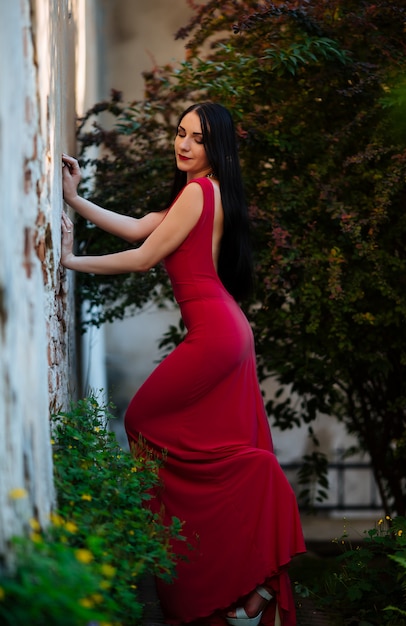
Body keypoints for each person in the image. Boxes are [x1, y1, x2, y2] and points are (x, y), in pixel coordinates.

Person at [61, 102, 305, 626]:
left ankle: (220, 535)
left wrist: (70, 261)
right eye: (180, 133)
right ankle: (248, 578)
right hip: (225, 329)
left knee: (145, 421)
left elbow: (144, 258)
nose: (184, 144)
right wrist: (75, 200)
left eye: (197, 138)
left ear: (216, 149)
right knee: (197, 440)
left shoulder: (201, 192)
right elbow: (137, 230)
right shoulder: (194, 195)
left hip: (217, 332)